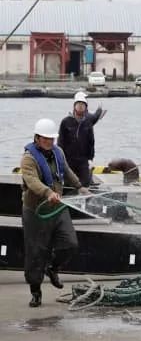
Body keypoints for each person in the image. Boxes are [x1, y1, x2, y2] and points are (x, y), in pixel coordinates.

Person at [21, 118, 89, 307]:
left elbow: (66, 171)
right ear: (37, 138)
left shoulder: (58, 152)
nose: (49, 142)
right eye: (45, 139)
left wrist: (79, 186)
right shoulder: (28, 159)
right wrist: (48, 192)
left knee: (70, 243)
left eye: (52, 139)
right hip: (36, 211)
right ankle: (35, 291)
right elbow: (32, 181)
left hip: (57, 208)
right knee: (35, 252)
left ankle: (53, 268)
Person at [58, 91, 106, 187]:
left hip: (83, 160)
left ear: (86, 108)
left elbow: (91, 140)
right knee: (68, 183)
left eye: (83, 105)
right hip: (68, 159)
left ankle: (86, 198)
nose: (80, 106)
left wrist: (91, 156)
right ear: (74, 106)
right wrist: (60, 157)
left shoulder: (88, 122)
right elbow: (60, 142)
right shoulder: (65, 122)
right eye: (78, 104)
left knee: (85, 183)